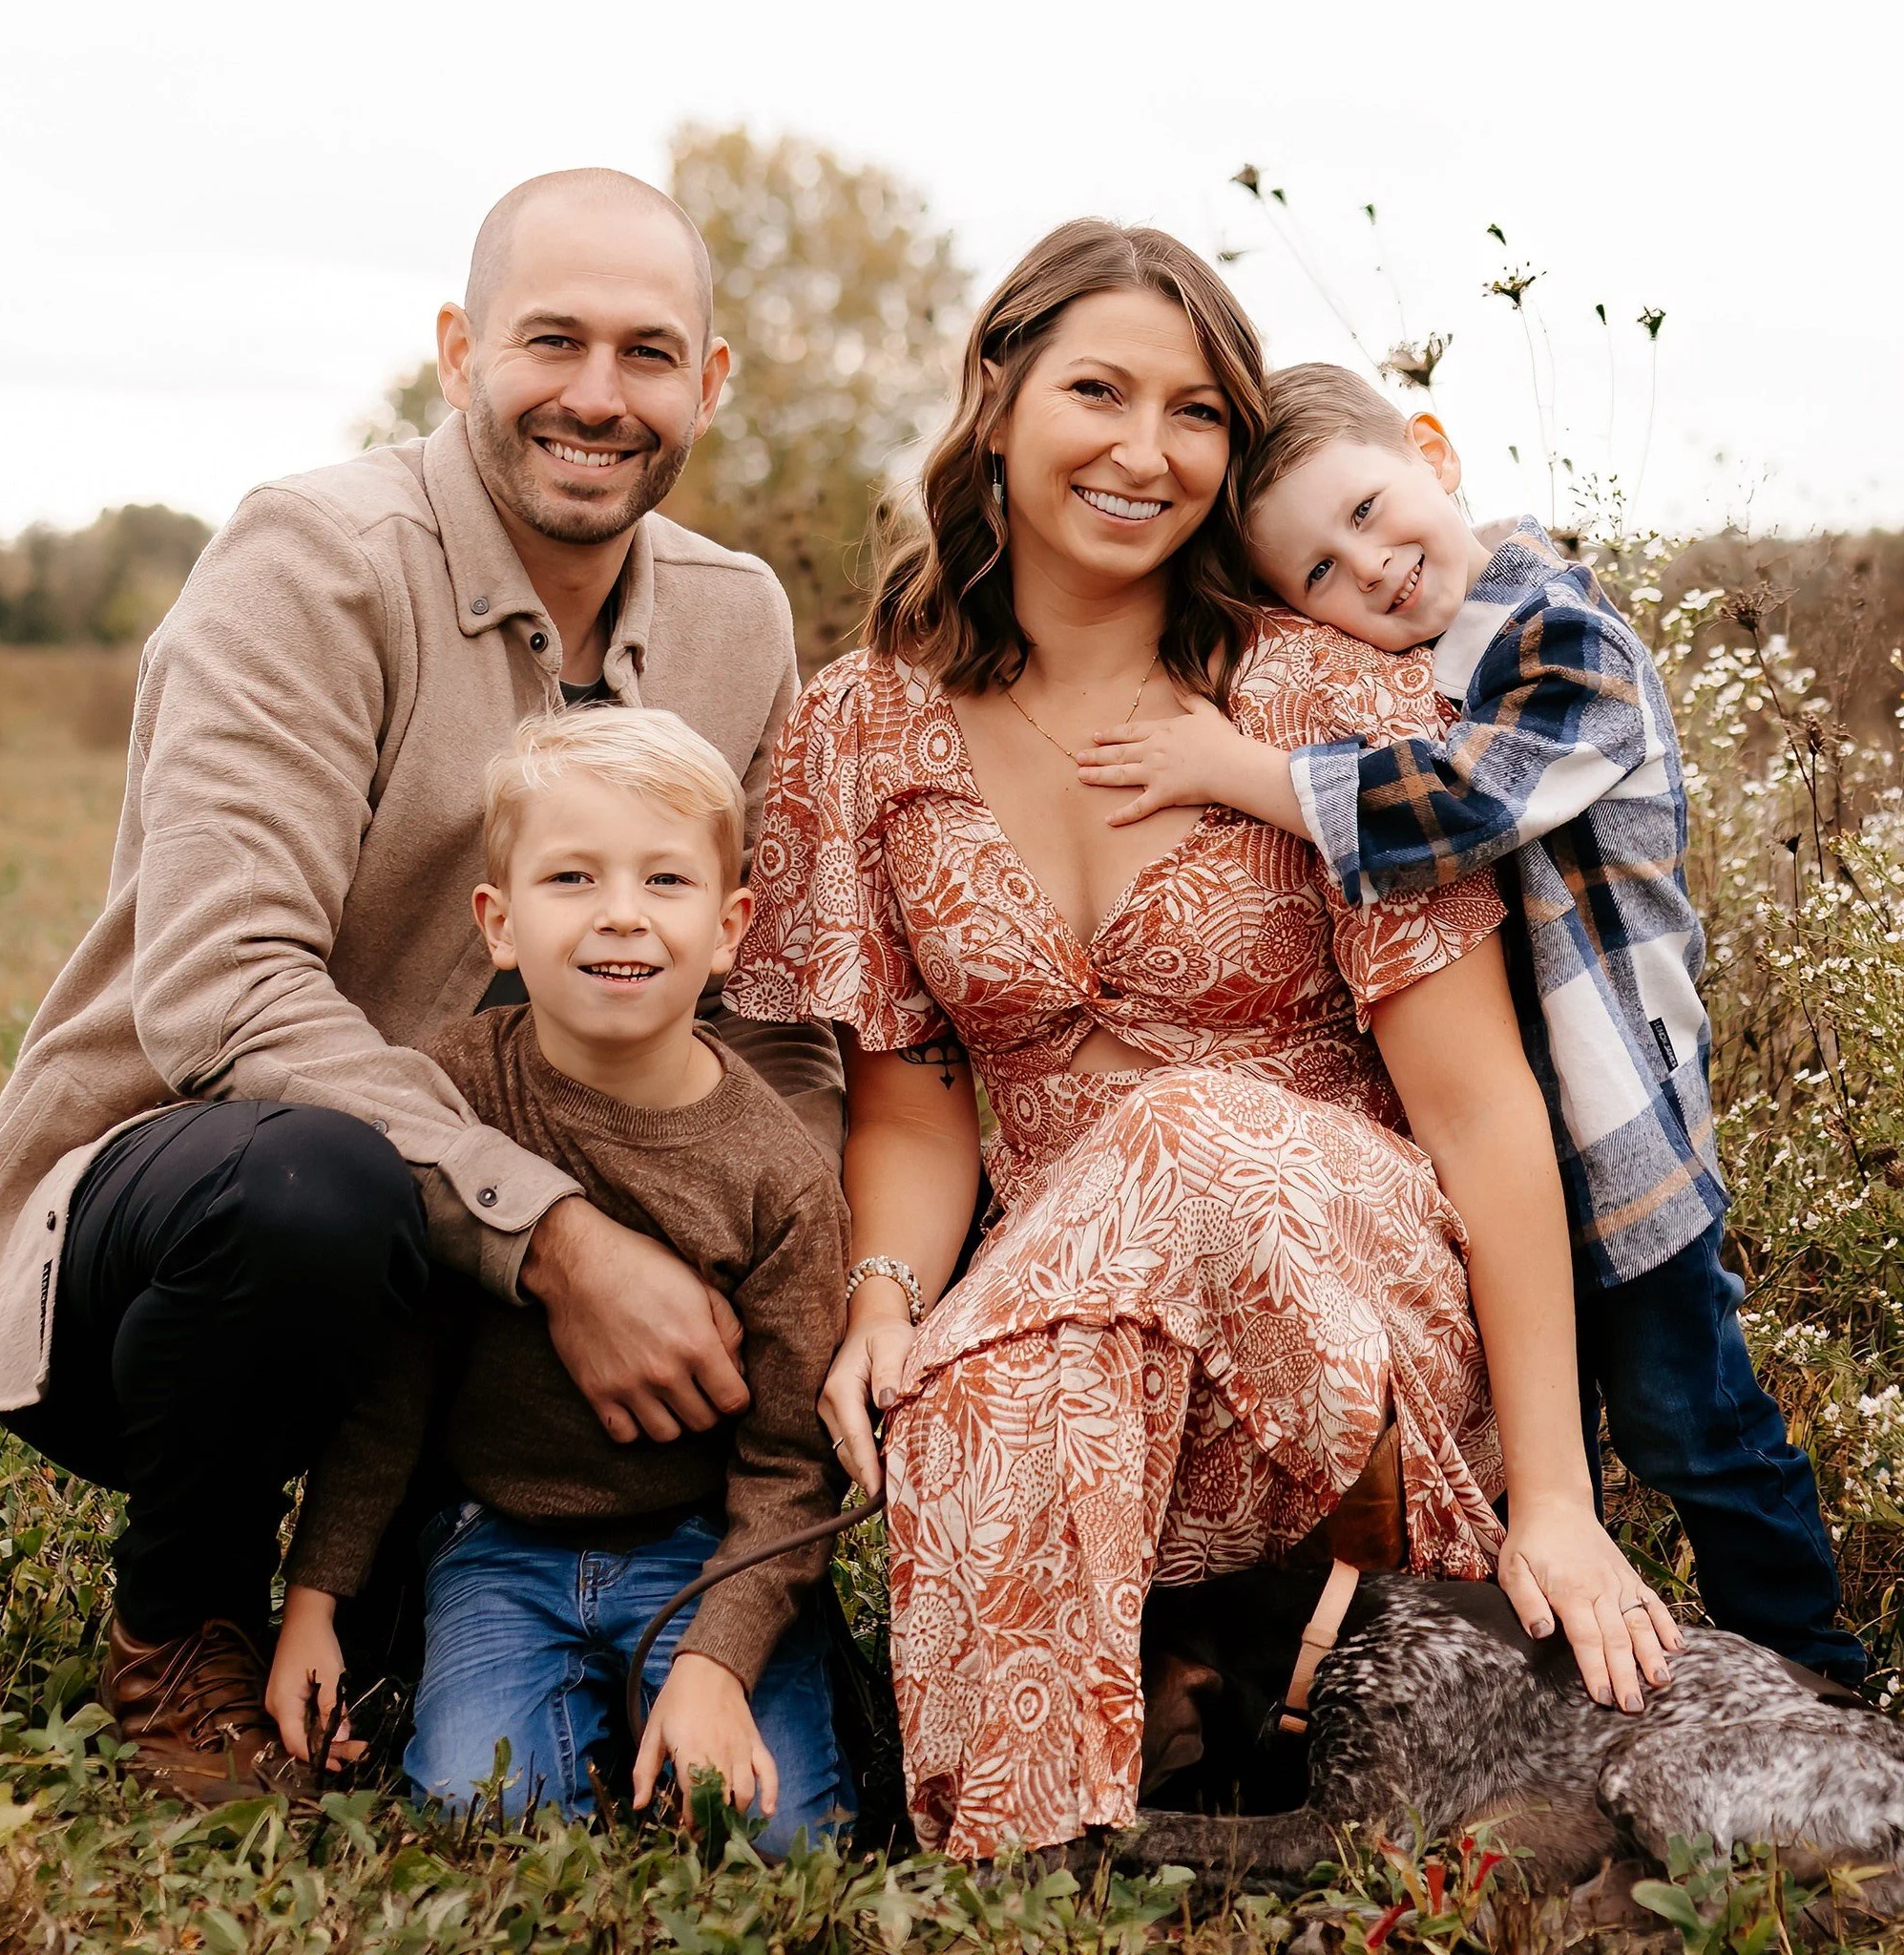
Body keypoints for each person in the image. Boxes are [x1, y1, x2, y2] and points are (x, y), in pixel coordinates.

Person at [727, 220, 1681, 1860]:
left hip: (1353, 1312)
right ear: (996, 393)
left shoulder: (1319, 702)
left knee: (1177, 1134)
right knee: (980, 1359)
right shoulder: (855, 723)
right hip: (1092, 1352)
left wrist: (1555, 1496)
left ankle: (1274, 1615)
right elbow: (911, 1094)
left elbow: (1477, 1105)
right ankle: (1053, 1840)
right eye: (1099, 389)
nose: (1144, 450)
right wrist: (887, 1295)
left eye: (1195, 414)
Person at [0, 168, 842, 1804]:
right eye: (549, 340)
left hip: (499, 1355)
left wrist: (778, 1261)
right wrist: (555, 1238)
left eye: (648, 352)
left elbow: (772, 998)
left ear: (709, 383)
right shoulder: (310, 561)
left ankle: (596, 1588)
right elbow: (221, 988)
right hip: (206, 1250)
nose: (595, 394)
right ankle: (185, 1615)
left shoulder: (737, 616)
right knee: (312, 1178)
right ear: (456, 349)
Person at [1076, 361, 1864, 1684]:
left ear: (1433, 452)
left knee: (1693, 1422)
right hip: (1530, 1153)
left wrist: (1244, 771)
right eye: (1321, 573)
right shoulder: (1422, 661)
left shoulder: (1565, 635)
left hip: (1623, 1135)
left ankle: (1820, 1668)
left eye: (1375, 511)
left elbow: (1465, 804)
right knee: (1562, 1422)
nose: (1371, 567)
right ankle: (1611, 1660)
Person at [266, 708, 852, 1849]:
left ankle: (742, 1680)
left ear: (730, 927)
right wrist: (314, 1598)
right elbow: (392, 1382)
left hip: (701, 1543)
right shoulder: (451, 1099)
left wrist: (715, 1656)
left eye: (666, 879)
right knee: (490, 1818)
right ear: (498, 920)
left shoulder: (775, 1171)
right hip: (499, 1541)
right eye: (572, 875)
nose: (621, 912)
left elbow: (792, 1459)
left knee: (776, 1838)